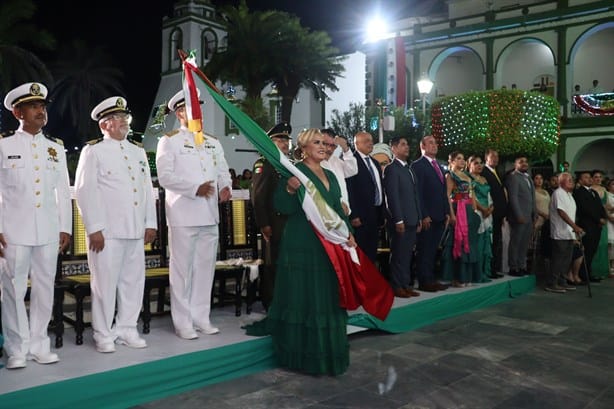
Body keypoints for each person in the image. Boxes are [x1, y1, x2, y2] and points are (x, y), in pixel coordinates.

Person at [245, 128, 357, 375]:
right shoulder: (295, 172)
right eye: (316, 143)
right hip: (302, 242)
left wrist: (349, 233)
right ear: (303, 148)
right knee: (305, 295)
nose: (323, 147)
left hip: (328, 244)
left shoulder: (329, 173)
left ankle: (327, 352)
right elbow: (281, 207)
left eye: (325, 144)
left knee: (326, 295)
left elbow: (337, 208)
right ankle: (302, 355)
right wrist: (289, 190)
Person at [74, 96, 158, 353]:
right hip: (107, 232)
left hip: (134, 228)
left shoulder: (138, 151)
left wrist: (150, 222)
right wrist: (94, 228)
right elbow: (84, 191)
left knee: (133, 281)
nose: (124, 122)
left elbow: (146, 188)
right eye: (118, 119)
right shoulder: (94, 151)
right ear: (104, 125)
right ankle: (103, 333)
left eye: (125, 118)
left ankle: (127, 328)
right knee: (104, 284)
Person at [0, 82, 72, 369]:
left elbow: (63, 192)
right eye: (33, 106)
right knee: (13, 290)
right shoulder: (4, 145)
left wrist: (65, 227)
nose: (41, 111)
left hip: (47, 230)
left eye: (42, 106)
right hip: (13, 231)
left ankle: (40, 343)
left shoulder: (55, 148)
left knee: (45, 288)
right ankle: (17, 349)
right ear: (18, 112)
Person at [155, 89, 232, 340]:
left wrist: (225, 186)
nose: (199, 112)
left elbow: (222, 169)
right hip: (183, 214)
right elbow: (165, 177)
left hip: (210, 215)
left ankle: (201, 316)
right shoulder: (170, 140)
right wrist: (193, 189)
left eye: (199, 107)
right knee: (182, 270)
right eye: (193, 108)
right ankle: (183, 321)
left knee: (204, 268)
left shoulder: (212, 141)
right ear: (180, 112)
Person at [250, 122, 292, 310]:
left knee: (286, 262)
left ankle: (285, 299)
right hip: (273, 221)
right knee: (273, 263)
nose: (284, 144)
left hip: (289, 221)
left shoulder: (287, 164)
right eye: (280, 140)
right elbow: (258, 197)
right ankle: (271, 301)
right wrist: (264, 224)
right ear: (270, 142)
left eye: (286, 140)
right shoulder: (264, 163)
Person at [382, 136, 421, 298]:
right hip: (401, 221)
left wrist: (419, 217)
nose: (407, 147)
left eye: (407, 144)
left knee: (407, 255)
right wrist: (398, 219)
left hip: (412, 219)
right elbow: (392, 197)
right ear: (394, 148)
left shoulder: (409, 169)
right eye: (402, 145)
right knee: (398, 255)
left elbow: (415, 195)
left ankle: (405, 284)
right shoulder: (391, 168)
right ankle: (396, 286)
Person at [410, 135, 450, 292]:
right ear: (423, 146)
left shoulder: (439, 166)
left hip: (440, 215)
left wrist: (447, 211)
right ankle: (424, 281)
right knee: (424, 250)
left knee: (433, 250)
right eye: (430, 143)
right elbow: (417, 193)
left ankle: (431, 278)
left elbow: (443, 192)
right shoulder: (418, 165)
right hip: (428, 216)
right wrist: (423, 215)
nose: (434, 145)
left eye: (435, 143)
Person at [441, 152, 479, 287]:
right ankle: (456, 277)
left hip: (469, 210)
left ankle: (466, 276)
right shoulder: (450, 176)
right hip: (458, 209)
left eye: (463, 158)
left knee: (468, 241)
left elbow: (472, 194)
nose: (462, 161)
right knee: (457, 241)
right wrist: (451, 214)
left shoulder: (468, 175)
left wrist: (475, 211)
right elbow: (447, 195)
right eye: (458, 159)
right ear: (451, 161)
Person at [346, 131, 383, 263]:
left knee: (372, 251)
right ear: (356, 144)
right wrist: (354, 214)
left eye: (371, 140)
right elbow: (349, 189)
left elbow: (379, 188)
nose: (370, 143)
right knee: (361, 252)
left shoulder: (375, 162)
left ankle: (371, 281)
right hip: (360, 216)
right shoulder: (351, 162)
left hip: (375, 214)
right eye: (366, 141)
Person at [547, 173, 583, 293]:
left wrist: (575, 231)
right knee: (558, 259)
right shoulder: (559, 193)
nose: (572, 181)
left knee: (567, 259)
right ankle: (552, 283)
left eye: (571, 179)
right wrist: (575, 226)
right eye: (568, 180)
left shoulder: (569, 195)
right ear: (561, 182)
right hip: (560, 232)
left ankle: (562, 281)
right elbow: (561, 212)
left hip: (569, 233)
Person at [573, 171, 607, 283]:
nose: (589, 179)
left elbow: (600, 207)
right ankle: (582, 275)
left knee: (592, 250)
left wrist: (604, 217)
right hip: (587, 225)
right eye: (586, 177)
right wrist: (598, 219)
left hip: (597, 226)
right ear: (580, 180)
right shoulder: (579, 192)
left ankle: (589, 273)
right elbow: (585, 209)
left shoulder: (593, 192)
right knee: (586, 251)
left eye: (589, 177)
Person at [505, 155, 536, 276]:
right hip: (519, 216)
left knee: (524, 243)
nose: (524, 163)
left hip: (529, 215)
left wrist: (535, 213)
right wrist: (518, 214)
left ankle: (522, 265)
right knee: (516, 242)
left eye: (526, 162)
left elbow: (532, 197)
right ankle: (513, 267)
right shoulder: (513, 177)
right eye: (521, 162)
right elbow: (513, 198)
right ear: (515, 164)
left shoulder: (528, 178)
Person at [481, 149, 507, 278]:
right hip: (490, 213)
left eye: (497, 156)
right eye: (493, 156)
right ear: (486, 158)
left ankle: (494, 268)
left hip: (498, 214)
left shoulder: (496, 172)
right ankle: (489, 269)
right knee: (491, 242)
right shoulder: (484, 172)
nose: (496, 159)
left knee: (496, 242)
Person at [468, 155, 494, 283]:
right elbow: (471, 197)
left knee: (485, 243)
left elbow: (489, 196)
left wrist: (490, 209)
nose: (479, 165)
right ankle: (475, 274)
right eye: (476, 163)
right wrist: (483, 209)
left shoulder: (484, 178)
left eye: (481, 163)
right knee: (477, 245)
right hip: (476, 212)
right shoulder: (468, 178)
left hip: (487, 214)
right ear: (469, 165)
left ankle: (484, 272)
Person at [320, 128, 357, 215]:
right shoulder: (313, 163)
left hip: (343, 214)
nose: (329, 149)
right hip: (325, 216)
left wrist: (345, 148)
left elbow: (352, 170)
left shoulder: (337, 161)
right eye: (325, 144)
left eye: (332, 146)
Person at [589, 170, 609, 279]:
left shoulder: (604, 189)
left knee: (603, 245)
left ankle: (602, 270)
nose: (598, 179)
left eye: (600, 177)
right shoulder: (590, 189)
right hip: (595, 220)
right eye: (596, 177)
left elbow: (606, 206)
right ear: (592, 178)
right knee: (595, 245)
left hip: (604, 220)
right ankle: (594, 271)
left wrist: (607, 216)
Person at [532, 173, 552, 279]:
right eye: (536, 178)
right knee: (536, 246)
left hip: (547, 220)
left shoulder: (546, 192)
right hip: (538, 219)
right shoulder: (532, 192)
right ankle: (534, 269)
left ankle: (544, 270)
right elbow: (532, 206)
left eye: (541, 178)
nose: (539, 180)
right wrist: (543, 214)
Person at [605, 179, 614, 275]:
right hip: (610, 221)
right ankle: (609, 267)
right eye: (613, 184)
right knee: (610, 246)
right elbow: (606, 208)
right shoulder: (607, 195)